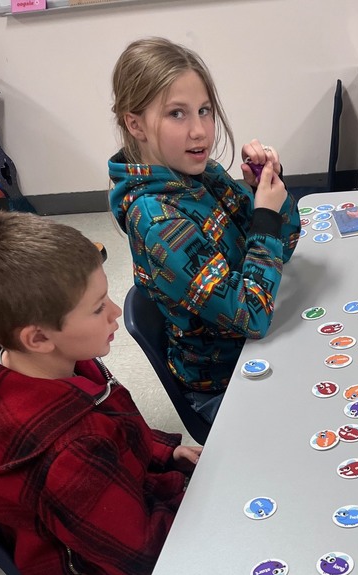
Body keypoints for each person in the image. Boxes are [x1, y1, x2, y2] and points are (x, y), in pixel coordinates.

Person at [0, 212, 202, 575]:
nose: (113, 314)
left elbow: (118, 430)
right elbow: (141, 562)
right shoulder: (70, 451)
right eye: (96, 309)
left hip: (123, 511)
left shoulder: (55, 363)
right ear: (37, 337)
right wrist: (192, 499)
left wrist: (165, 455)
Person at [109, 37, 300, 426]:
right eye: (177, 114)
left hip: (255, 350)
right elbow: (251, 315)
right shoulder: (157, 220)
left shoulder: (202, 173)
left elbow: (287, 245)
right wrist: (264, 218)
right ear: (135, 124)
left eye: (204, 110)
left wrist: (263, 190)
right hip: (225, 386)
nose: (200, 131)